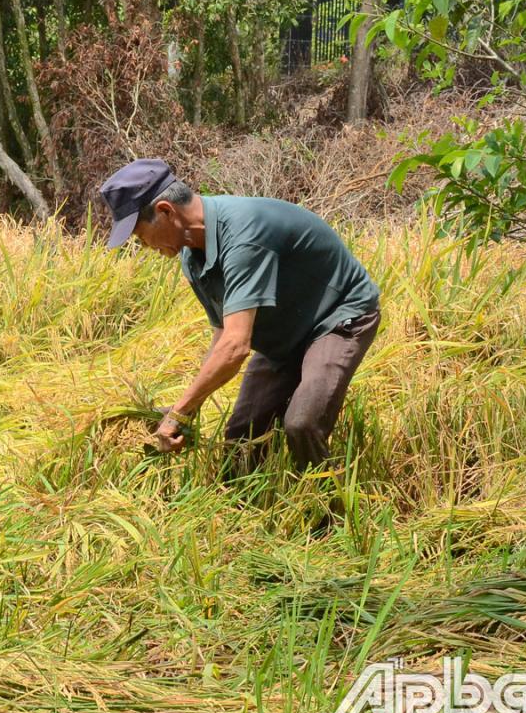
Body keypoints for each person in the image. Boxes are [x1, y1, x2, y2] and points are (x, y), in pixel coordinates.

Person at [98, 158, 381, 475]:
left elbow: (236, 347)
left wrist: (179, 411)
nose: (144, 246)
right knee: (241, 439)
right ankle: (249, 511)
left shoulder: (244, 235)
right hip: (284, 329)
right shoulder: (192, 254)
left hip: (338, 317)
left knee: (302, 423)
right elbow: (223, 334)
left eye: (140, 235)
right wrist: (191, 409)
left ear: (165, 211)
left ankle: (330, 517)